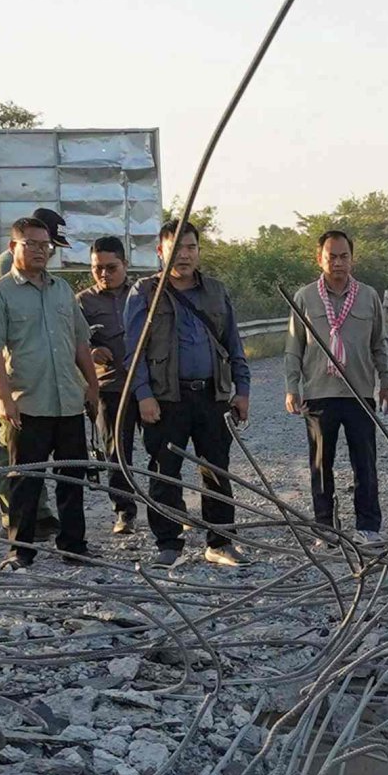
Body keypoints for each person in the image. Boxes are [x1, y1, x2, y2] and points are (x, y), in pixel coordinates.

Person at [120, 220, 249, 567]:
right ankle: (168, 544)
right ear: (161, 252)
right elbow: (134, 352)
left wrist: (242, 389)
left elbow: (233, 343)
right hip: (165, 399)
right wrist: (142, 394)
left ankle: (220, 542)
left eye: (190, 247)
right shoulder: (144, 293)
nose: (184, 254)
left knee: (217, 470)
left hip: (212, 395)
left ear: (198, 250)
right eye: (176, 247)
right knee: (164, 471)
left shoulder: (216, 291)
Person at [0, 212, 95, 568]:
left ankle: (74, 547)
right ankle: (20, 551)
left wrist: (91, 387)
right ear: (14, 246)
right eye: (33, 244)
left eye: (46, 245)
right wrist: (3, 399)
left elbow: (80, 343)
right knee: (25, 481)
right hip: (28, 402)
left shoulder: (62, 291)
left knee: (72, 477)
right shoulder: (0, 294)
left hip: (68, 401)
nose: (41, 251)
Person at [279, 228, 388, 539]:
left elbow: (379, 342)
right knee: (320, 465)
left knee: (365, 464)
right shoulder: (304, 297)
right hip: (318, 394)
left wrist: (386, 382)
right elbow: (293, 346)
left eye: (344, 256)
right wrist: (291, 387)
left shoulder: (369, 296)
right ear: (320, 259)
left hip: (359, 393)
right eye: (332, 257)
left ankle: (368, 527)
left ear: (352, 260)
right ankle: (324, 526)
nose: (338, 262)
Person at [75, 233, 143, 527]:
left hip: (148, 386)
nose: (104, 274)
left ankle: (167, 509)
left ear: (125, 264)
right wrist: (91, 351)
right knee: (115, 452)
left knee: (161, 448)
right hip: (109, 388)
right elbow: (70, 341)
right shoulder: (81, 302)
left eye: (111, 267)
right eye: (97, 268)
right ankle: (124, 511)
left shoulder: (143, 294)